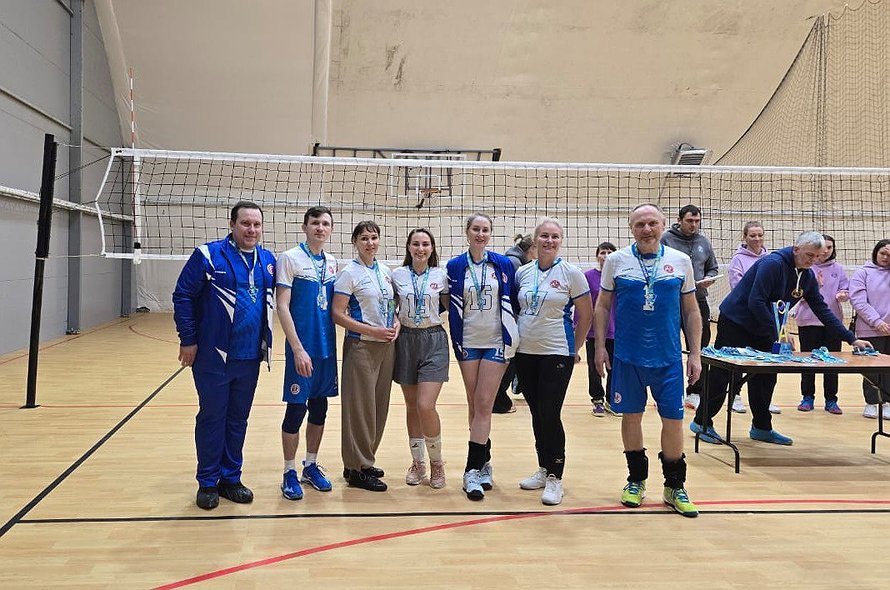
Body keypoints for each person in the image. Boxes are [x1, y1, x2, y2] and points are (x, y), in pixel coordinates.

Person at [690, 232, 873, 447]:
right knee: (723, 375)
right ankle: (702, 423)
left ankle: (761, 427)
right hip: (736, 322)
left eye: (817, 257)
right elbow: (756, 301)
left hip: (765, 327)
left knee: (766, 376)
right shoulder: (773, 264)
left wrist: (851, 339)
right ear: (796, 249)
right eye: (809, 255)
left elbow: (822, 309)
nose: (813, 261)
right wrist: (779, 333)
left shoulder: (807, 276)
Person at [594, 204, 701, 517]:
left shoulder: (680, 261)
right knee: (631, 418)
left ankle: (674, 486)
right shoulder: (616, 261)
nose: (646, 229)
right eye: (640, 224)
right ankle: (636, 480)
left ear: (663, 225)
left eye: (652, 223)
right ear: (631, 228)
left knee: (673, 421)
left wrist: (694, 353)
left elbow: (691, 310)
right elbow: (602, 306)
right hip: (627, 357)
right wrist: (599, 348)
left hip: (668, 358)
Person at [173, 201, 276, 510]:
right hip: (213, 356)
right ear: (232, 225)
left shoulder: (268, 260)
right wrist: (188, 339)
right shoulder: (208, 255)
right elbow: (182, 295)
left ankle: (230, 478)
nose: (251, 230)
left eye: (256, 224)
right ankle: (207, 481)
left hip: (249, 357)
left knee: (238, 419)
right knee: (212, 416)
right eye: (245, 223)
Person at [514, 218, 592, 506]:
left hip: (557, 352)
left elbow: (586, 314)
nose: (549, 241)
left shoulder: (571, 273)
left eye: (555, 236)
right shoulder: (523, 272)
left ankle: (555, 477)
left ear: (560, 241)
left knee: (550, 413)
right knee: (537, 413)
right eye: (544, 236)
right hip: (526, 352)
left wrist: (576, 347)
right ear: (535, 240)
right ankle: (543, 467)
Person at [447, 213, 518, 501]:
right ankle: (484, 461)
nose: (480, 234)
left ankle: (472, 469)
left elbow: (514, 301)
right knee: (474, 403)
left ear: (490, 234)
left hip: (495, 342)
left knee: (485, 403)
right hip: (467, 342)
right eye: (475, 229)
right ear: (467, 232)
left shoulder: (502, 264)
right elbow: (447, 303)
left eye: (485, 229)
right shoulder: (454, 266)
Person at [275, 205, 338, 501]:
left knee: (320, 409)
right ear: (305, 227)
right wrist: (297, 349)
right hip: (302, 349)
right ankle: (288, 471)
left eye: (325, 223)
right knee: (296, 410)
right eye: (315, 223)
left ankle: (310, 466)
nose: (320, 228)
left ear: (330, 229)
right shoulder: (290, 258)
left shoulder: (333, 263)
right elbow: (282, 305)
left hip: (326, 349)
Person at [332, 220, 398, 492]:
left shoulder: (385, 271)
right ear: (355, 242)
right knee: (360, 409)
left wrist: (396, 324)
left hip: (386, 347)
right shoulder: (349, 273)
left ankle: (362, 461)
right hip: (361, 346)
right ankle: (357, 468)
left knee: (378, 407)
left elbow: (392, 307)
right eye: (364, 238)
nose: (370, 243)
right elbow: (337, 314)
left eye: (373, 237)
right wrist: (371, 330)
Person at [391, 228, 450, 489]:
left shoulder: (441, 275)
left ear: (432, 248)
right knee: (412, 406)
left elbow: (448, 305)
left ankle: (437, 462)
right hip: (406, 340)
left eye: (425, 244)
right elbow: (390, 305)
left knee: (426, 405)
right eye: (415, 244)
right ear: (408, 247)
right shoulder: (397, 275)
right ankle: (418, 462)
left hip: (433, 339)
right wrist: (393, 320)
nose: (420, 248)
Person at [660, 204, 718, 412]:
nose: (693, 225)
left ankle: (695, 391)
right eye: (689, 221)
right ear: (680, 220)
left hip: (698, 300)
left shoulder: (704, 242)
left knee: (700, 347)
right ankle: (667, 391)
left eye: (697, 221)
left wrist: (709, 278)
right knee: (669, 345)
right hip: (671, 301)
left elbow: (713, 268)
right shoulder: (666, 240)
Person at [726, 221, 779, 415]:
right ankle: (735, 396)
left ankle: (763, 401)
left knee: (766, 360)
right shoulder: (738, 260)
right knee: (740, 359)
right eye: (752, 235)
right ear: (745, 237)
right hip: (743, 318)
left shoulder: (771, 259)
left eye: (760, 235)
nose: (757, 239)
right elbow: (738, 287)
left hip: (764, 317)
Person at [793, 234, 849, 414]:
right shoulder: (805, 267)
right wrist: (814, 287)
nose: (826, 251)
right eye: (823, 247)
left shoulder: (838, 269)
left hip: (832, 323)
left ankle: (831, 400)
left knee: (832, 362)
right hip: (808, 321)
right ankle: (807, 397)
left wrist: (843, 295)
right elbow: (796, 294)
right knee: (808, 361)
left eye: (830, 248)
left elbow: (845, 290)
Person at [493, 233, 536, 414]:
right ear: (532, 248)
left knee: (512, 359)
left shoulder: (516, 260)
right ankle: (498, 400)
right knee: (509, 360)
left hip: (510, 318)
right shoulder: (514, 263)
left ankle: (511, 389)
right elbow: (512, 295)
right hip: (508, 319)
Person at [849, 239, 890, 419]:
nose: (886, 258)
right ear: (876, 252)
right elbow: (858, 301)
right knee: (871, 367)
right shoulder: (863, 273)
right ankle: (872, 402)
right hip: (870, 329)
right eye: (883, 253)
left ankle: (887, 402)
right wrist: (877, 322)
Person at [582, 241, 617, 417]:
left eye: (610, 252)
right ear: (597, 256)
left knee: (614, 368)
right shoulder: (588, 276)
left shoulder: (620, 277)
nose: (606, 255)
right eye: (603, 252)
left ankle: (612, 400)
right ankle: (597, 399)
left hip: (616, 330)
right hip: (594, 331)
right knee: (594, 367)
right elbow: (583, 304)